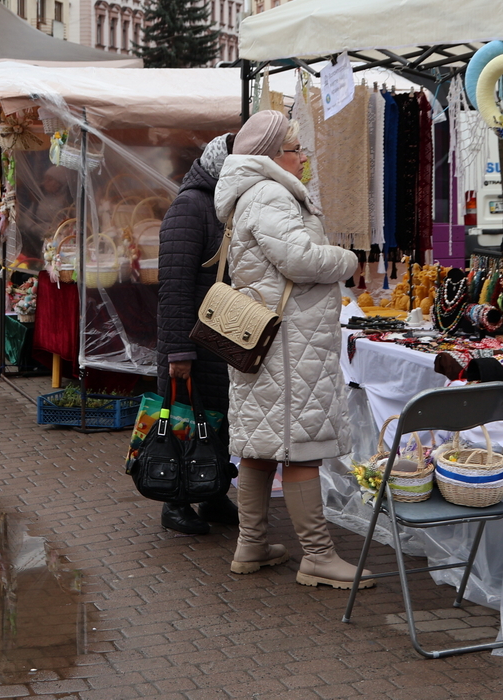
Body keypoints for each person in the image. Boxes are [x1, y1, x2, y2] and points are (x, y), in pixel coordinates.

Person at [214, 110, 371, 590]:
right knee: (299, 450)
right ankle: (318, 556)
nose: (303, 158)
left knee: (261, 445)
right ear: (271, 155)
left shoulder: (252, 192)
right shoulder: (270, 193)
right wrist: (347, 258)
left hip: (266, 338)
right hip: (288, 343)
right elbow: (299, 259)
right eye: (295, 149)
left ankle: (251, 544)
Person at [154, 133, 238, 535]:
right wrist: (178, 352)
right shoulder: (191, 206)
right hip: (191, 342)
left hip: (219, 338)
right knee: (184, 421)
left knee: (215, 420)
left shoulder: (224, 204)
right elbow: (173, 285)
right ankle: (175, 501)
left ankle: (213, 492)